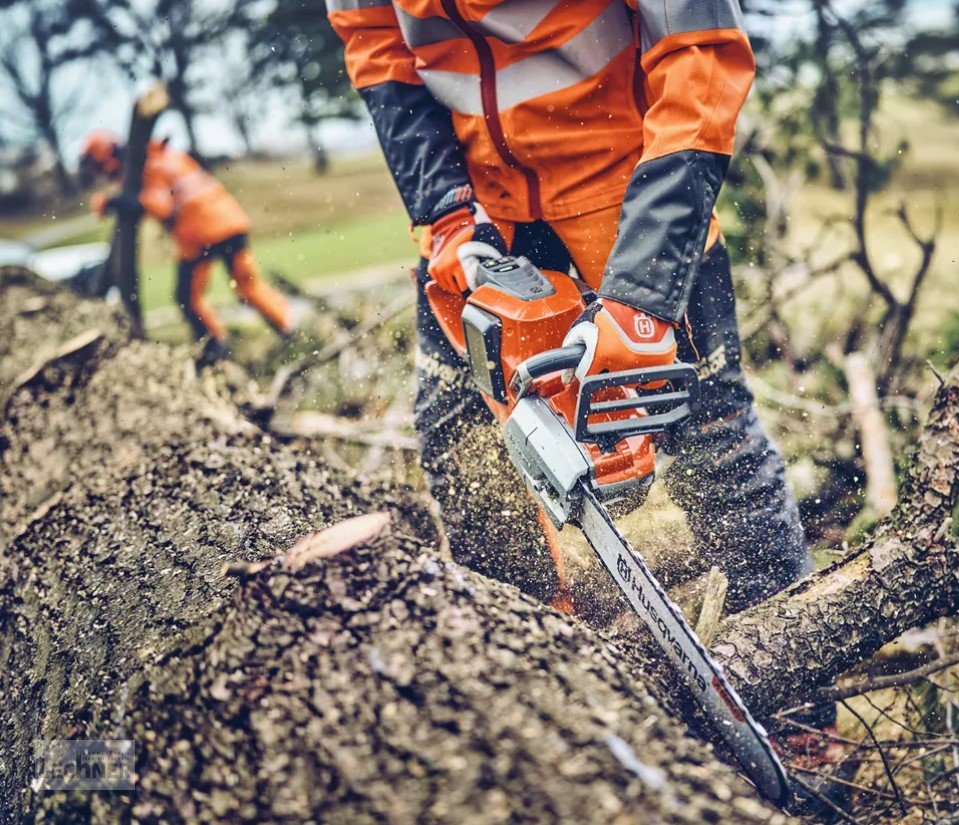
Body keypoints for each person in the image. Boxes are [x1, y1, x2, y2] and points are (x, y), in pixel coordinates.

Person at [326, 0, 847, 799]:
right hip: (481, 214)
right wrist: (443, 215)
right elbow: (377, 46)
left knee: (710, 435)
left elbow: (699, 49)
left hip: (631, 196)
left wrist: (642, 293)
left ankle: (800, 719)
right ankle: (536, 682)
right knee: (458, 436)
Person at [79, 130, 294, 362]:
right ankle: (289, 329)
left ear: (108, 158)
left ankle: (217, 351)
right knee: (249, 287)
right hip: (231, 223)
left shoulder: (150, 166)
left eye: (100, 167)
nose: (103, 174)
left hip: (201, 233)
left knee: (186, 298)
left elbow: (160, 206)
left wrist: (113, 202)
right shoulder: (168, 156)